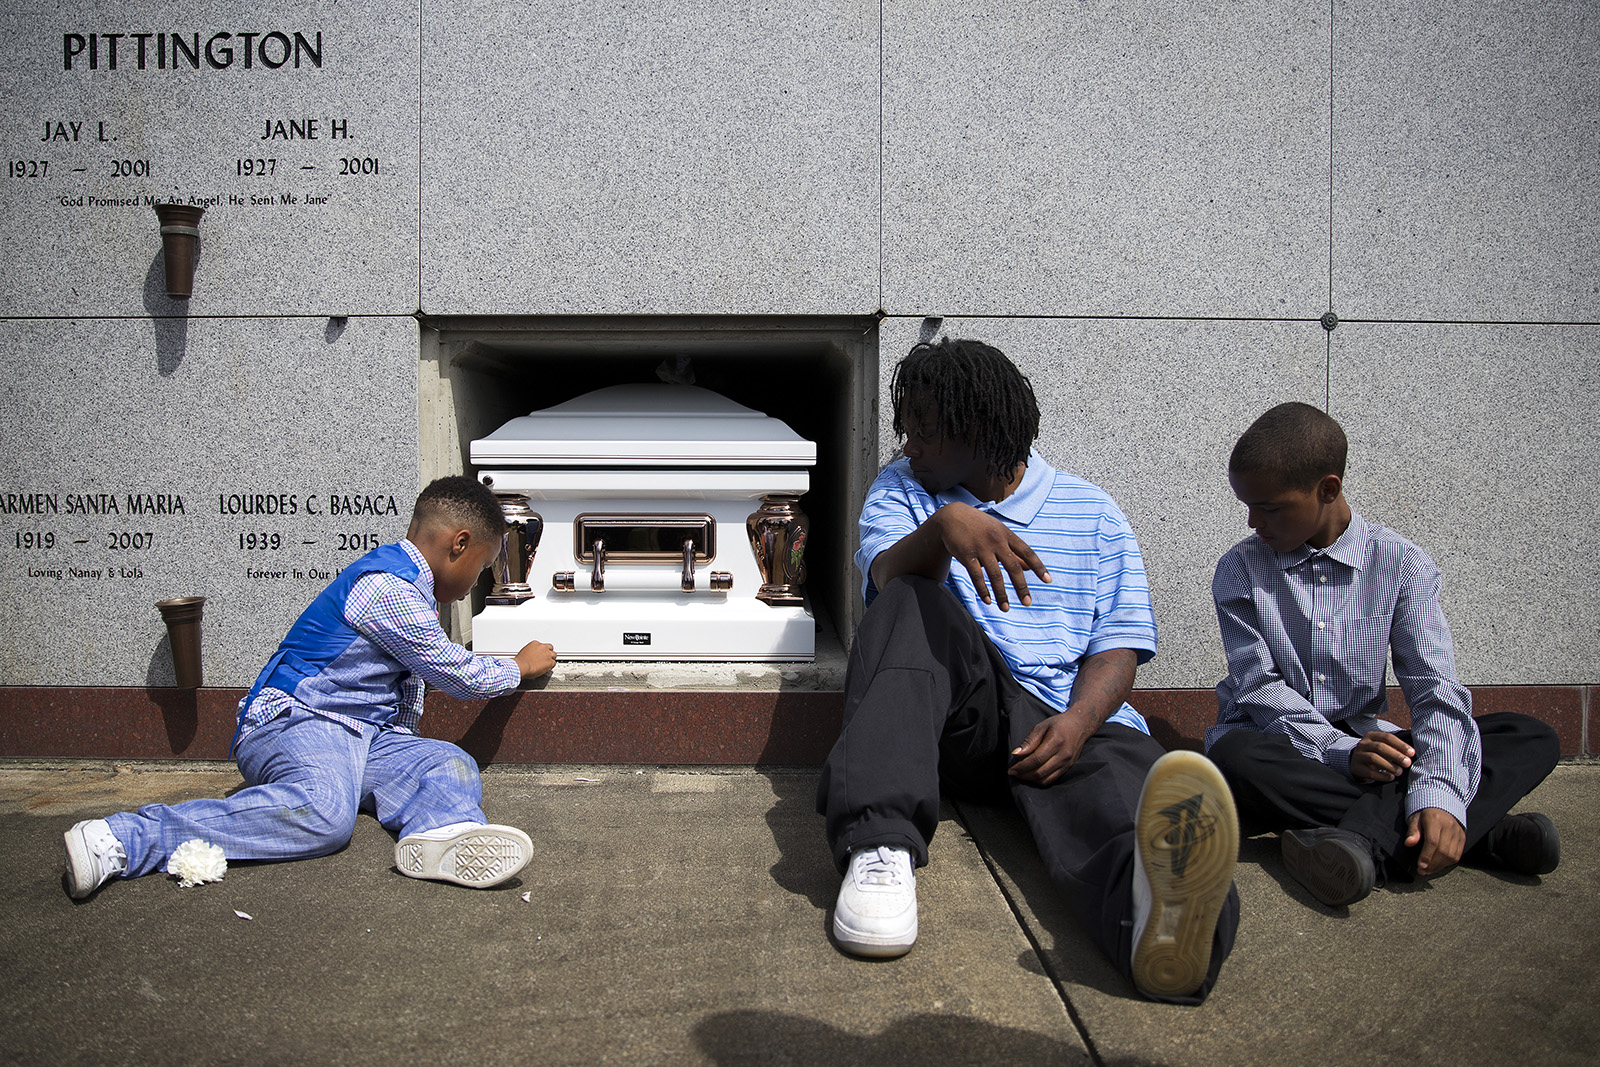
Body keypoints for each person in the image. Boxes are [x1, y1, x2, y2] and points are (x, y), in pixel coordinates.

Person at [817, 337, 1239, 1004]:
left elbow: (1118, 648)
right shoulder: (902, 489)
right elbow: (887, 577)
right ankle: (880, 845)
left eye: (925, 428)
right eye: (906, 426)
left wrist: (1077, 720)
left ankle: (1161, 926)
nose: (910, 444)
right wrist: (947, 526)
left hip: (1074, 725)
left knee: (1134, 809)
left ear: (978, 429)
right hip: (970, 724)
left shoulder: (1093, 513)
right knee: (908, 601)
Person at [64, 475, 557, 898]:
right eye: (484, 565)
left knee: (449, 761)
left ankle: (445, 833)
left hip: (365, 737)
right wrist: (518, 666)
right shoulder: (390, 588)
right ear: (459, 543)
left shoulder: (413, 588)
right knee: (324, 814)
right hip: (300, 723)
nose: (477, 581)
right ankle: (123, 839)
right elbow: (454, 673)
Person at [1208, 402, 1560, 907]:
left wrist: (1432, 781)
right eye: (1247, 505)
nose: (1252, 521)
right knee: (1234, 759)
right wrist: (1345, 754)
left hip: (1373, 746)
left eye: (1270, 507)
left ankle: (1362, 843)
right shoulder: (1239, 570)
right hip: (1279, 748)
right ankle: (1481, 833)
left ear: (1327, 490)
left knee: (1529, 735)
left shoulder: (1403, 566)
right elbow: (1257, 688)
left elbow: (1434, 688)